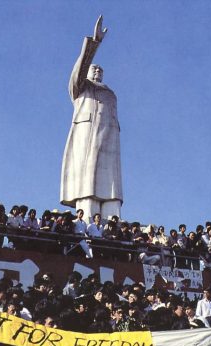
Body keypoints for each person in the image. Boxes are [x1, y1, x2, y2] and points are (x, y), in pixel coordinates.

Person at [60, 15, 122, 220]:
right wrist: (94, 43)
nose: (97, 71)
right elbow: (79, 72)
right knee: (87, 179)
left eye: (100, 70)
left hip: (109, 136)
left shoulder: (110, 93)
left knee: (110, 183)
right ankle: (87, 216)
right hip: (87, 134)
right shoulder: (80, 88)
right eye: (93, 69)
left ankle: (111, 219)